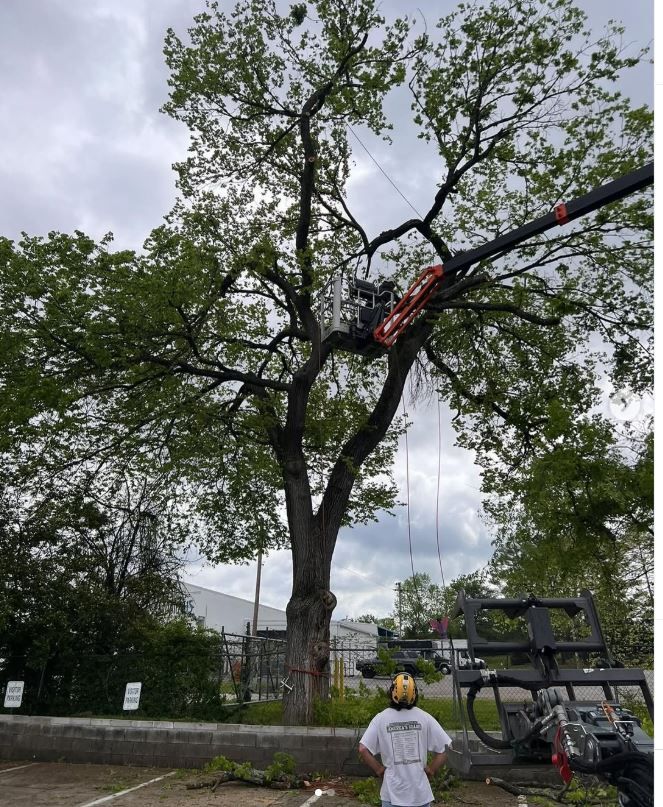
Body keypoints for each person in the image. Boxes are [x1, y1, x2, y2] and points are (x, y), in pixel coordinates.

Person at [358, 672, 451, 807]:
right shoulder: (424, 717)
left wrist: (379, 770)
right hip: (420, 795)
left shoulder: (381, 718)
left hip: (392, 795)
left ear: (392, 692)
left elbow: (363, 749)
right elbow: (447, 747)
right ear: (415, 694)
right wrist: (431, 770)